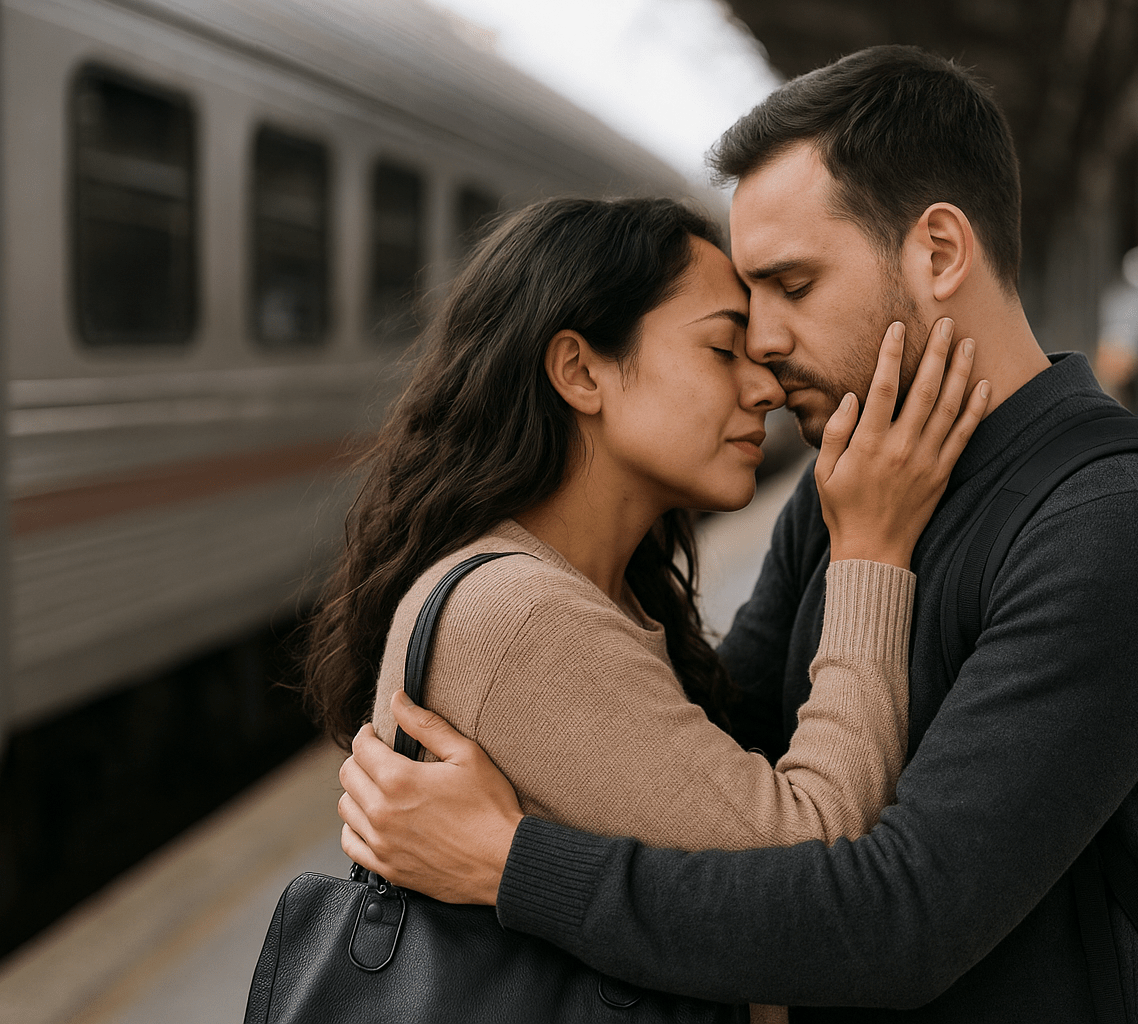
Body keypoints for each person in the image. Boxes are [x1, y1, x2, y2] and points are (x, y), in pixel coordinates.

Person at [339, 46, 1138, 1023]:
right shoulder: (845, 492)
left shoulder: (1118, 529)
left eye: (793, 285)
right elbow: (724, 759)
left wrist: (515, 860)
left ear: (938, 253)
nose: (764, 348)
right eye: (737, 318)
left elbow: (902, 922)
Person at [310, 196, 987, 1024]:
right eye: (721, 348)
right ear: (581, 371)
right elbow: (815, 859)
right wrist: (872, 550)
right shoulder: (520, 616)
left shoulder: (586, 591)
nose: (766, 384)